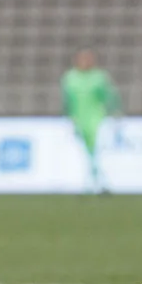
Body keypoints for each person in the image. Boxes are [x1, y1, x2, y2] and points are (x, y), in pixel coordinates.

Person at [61, 49, 121, 194]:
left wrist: (115, 111)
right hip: (79, 121)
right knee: (86, 153)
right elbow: (67, 100)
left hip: (98, 119)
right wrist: (68, 117)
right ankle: (92, 183)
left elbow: (109, 96)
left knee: (99, 152)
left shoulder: (99, 77)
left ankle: (100, 183)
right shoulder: (70, 78)